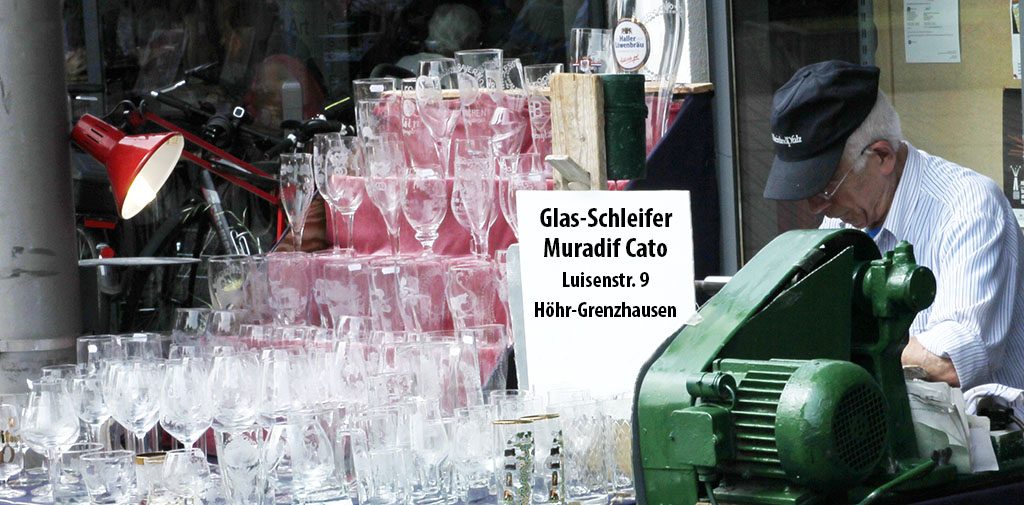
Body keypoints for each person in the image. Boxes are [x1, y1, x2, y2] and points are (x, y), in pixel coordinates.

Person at [763, 60, 1024, 391]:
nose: (816, 207)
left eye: (827, 187)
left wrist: (839, 353)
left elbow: (949, 363)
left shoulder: (969, 208)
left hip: (980, 422)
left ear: (882, 156)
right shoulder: (841, 219)